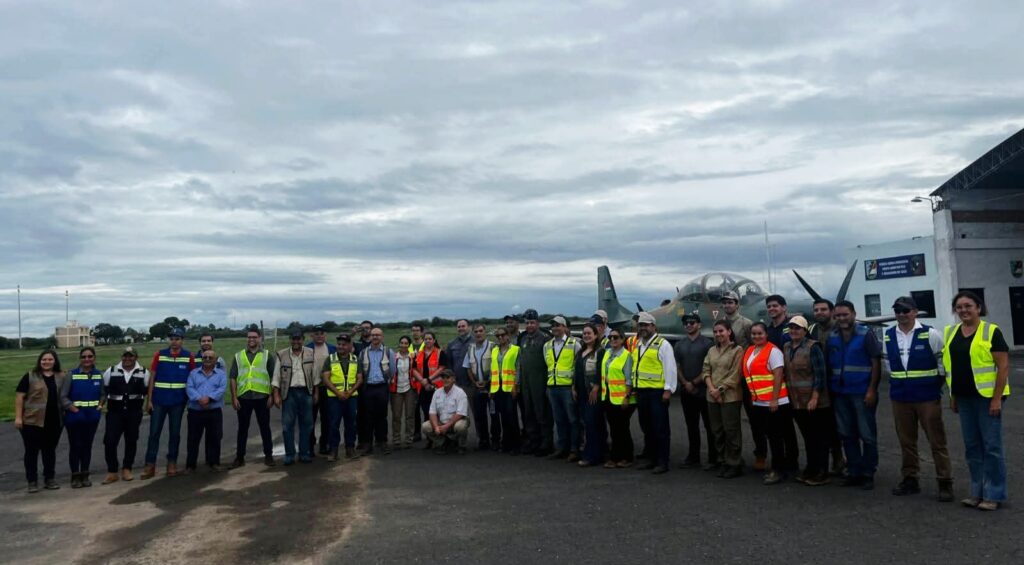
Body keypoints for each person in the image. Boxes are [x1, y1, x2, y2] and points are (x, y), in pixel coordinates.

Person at [944, 291, 1011, 511]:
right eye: (959, 307)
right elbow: (951, 367)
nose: (963, 310)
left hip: (986, 399)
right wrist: (953, 396)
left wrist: (996, 399)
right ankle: (977, 492)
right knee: (972, 447)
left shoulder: (991, 331)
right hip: (963, 398)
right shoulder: (951, 332)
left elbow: (1003, 367)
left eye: (968, 306)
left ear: (978, 308)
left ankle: (993, 494)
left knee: (992, 447)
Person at [884, 296, 953, 501]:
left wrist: (934, 387)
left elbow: (943, 364)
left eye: (905, 310)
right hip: (900, 397)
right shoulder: (888, 336)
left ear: (915, 312)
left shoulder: (931, 334)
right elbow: (888, 365)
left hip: (927, 397)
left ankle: (945, 482)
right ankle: (910, 479)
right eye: (897, 311)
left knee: (937, 440)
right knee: (906, 441)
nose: (901, 314)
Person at [828, 300, 883, 490]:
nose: (841, 318)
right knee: (846, 434)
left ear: (853, 314)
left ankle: (868, 472)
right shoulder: (833, 336)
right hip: (840, 393)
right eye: (838, 315)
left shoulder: (866, 334)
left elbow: (875, 362)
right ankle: (854, 471)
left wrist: (872, 389)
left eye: (845, 314)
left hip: (861, 392)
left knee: (867, 434)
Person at [743, 322, 798, 485]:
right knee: (769, 434)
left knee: (776, 437)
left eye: (760, 333)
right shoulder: (750, 350)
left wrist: (774, 399)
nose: (756, 336)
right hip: (759, 402)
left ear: (766, 334)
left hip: (775, 402)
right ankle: (783, 466)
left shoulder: (773, 351)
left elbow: (778, 375)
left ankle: (778, 470)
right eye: (754, 334)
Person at [784, 316, 832, 486]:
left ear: (805, 331)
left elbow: (820, 374)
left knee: (819, 437)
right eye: (791, 328)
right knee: (808, 437)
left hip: (814, 402)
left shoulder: (813, 347)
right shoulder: (787, 347)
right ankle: (811, 468)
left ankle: (822, 472)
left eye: (797, 328)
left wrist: (815, 397)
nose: (794, 331)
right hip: (797, 402)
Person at [142, 327, 195, 480]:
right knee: (154, 433)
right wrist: (149, 400)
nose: (174, 341)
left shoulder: (188, 356)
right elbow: (152, 377)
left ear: (182, 340)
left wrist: (189, 399)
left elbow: (192, 378)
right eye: (172, 339)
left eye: (177, 339)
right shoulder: (159, 355)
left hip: (178, 402)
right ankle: (150, 465)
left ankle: (172, 463)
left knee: (175, 434)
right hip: (159, 401)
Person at [631, 312, 678, 475]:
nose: (642, 328)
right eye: (640, 325)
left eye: (646, 325)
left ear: (653, 326)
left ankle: (662, 461)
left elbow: (670, 368)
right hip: (642, 391)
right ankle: (651, 458)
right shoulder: (639, 344)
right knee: (647, 427)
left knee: (660, 428)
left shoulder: (663, 345)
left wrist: (668, 389)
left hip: (657, 393)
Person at [14, 350, 65, 493]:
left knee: (49, 451)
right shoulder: (30, 376)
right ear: (39, 361)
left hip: (54, 421)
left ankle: (49, 478)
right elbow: (19, 397)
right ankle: (32, 481)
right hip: (32, 421)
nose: (47, 362)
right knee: (31, 452)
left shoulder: (61, 376)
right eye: (44, 359)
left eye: (50, 359)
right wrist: (18, 417)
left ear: (55, 361)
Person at [100, 347, 149, 484]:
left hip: (134, 412)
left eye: (131, 356)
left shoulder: (144, 372)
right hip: (115, 412)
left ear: (136, 357)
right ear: (121, 357)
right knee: (110, 441)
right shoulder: (111, 371)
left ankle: (127, 469)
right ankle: (112, 471)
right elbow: (104, 389)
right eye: (125, 356)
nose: (127, 359)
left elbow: (147, 390)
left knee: (131, 440)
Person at [229, 327, 276, 468]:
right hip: (244, 397)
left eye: (254, 337)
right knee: (242, 429)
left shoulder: (267, 355)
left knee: (265, 427)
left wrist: (272, 395)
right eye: (249, 337)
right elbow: (233, 377)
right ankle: (240, 457)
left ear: (260, 338)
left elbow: (274, 377)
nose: (251, 339)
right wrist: (234, 397)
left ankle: (269, 455)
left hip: (262, 397)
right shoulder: (239, 356)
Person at [809, 298, 846, 476]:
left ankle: (851, 463)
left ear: (831, 311)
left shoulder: (842, 329)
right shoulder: (812, 330)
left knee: (846, 425)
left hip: (840, 384)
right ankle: (837, 460)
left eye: (823, 309)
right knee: (826, 425)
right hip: (820, 384)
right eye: (816, 310)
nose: (819, 313)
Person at [272, 328, 320, 465]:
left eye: (298, 339)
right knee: (287, 426)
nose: (296, 341)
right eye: (293, 339)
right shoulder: (282, 354)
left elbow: (315, 375)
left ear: (303, 340)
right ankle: (290, 455)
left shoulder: (310, 353)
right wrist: (276, 395)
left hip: (306, 392)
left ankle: (304, 453)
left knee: (307, 425)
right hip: (289, 393)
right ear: (290, 340)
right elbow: (276, 376)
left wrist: (316, 393)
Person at [674, 313, 716, 470]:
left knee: (710, 426)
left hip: (704, 390)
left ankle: (713, 458)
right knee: (691, 425)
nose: (689, 325)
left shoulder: (708, 344)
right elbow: (677, 365)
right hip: (686, 391)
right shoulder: (679, 345)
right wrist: (685, 383)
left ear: (699, 325)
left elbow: (709, 367)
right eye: (686, 323)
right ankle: (693, 456)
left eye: (692, 322)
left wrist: (694, 382)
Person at [703, 320, 744, 478]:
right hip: (712, 396)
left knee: (731, 431)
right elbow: (706, 370)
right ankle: (723, 461)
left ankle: (734, 463)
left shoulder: (737, 350)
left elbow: (736, 374)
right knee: (717, 431)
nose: (718, 334)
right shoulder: (712, 350)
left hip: (730, 397)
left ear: (729, 332)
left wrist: (720, 390)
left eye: (721, 331)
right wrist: (712, 390)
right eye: (715, 332)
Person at [60, 347, 103, 488]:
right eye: (84, 357)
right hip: (75, 416)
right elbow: (63, 396)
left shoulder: (98, 375)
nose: (87, 359)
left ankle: (85, 474)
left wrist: (100, 406)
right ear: (80, 359)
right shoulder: (71, 374)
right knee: (75, 445)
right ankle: (75, 476)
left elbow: (103, 394)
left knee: (87, 446)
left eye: (90, 356)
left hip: (92, 416)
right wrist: (73, 409)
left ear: (94, 358)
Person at [544, 316, 581, 462]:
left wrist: (574, 386)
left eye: (558, 325)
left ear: (565, 327)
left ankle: (574, 449)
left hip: (567, 388)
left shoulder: (574, 344)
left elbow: (578, 367)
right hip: (553, 387)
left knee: (573, 420)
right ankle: (562, 448)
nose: (555, 328)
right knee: (559, 420)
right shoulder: (547, 345)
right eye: (553, 325)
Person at [184, 350, 227, 473]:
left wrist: (209, 399)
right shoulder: (193, 373)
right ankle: (190, 465)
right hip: (195, 410)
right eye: (205, 357)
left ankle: (214, 462)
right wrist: (199, 399)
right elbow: (189, 388)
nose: (207, 359)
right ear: (202, 359)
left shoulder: (221, 374)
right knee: (193, 438)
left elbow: (222, 388)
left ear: (215, 360)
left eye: (210, 357)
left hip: (214, 410)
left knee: (215, 437)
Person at [519, 309, 554, 456]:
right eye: (527, 323)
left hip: (540, 381)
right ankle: (533, 441)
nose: (529, 325)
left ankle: (546, 443)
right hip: (526, 382)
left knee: (542, 413)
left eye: (532, 322)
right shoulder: (523, 339)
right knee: (529, 412)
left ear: (537, 323)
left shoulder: (545, 339)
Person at [357, 326, 396, 455]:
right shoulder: (363, 352)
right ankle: (368, 444)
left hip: (382, 387)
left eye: (378, 335)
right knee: (367, 417)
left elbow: (393, 370)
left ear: (382, 337)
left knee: (382, 416)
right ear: (370, 337)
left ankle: (382, 442)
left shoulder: (388, 352)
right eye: (373, 335)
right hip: (368, 388)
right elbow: (360, 370)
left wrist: (386, 381)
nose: (375, 337)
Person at [325, 333, 364, 460]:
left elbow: (360, 378)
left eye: (344, 344)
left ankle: (350, 449)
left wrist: (350, 392)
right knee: (334, 424)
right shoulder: (330, 359)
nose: (341, 346)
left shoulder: (355, 359)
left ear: (350, 346)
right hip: (334, 398)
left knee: (351, 424)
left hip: (351, 397)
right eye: (339, 344)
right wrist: (338, 393)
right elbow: (326, 378)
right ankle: (333, 450)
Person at [601, 329, 635, 468]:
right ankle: (615, 456)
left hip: (622, 398)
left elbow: (629, 379)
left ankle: (627, 457)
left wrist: (626, 397)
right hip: (609, 396)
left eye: (616, 337)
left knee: (622, 429)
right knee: (614, 429)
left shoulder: (626, 356)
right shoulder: (607, 353)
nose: (612, 340)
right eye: (610, 337)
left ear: (622, 339)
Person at [464, 324, 500, 450]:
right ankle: (484, 440)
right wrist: (474, 382)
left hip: (491, 386)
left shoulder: (493, 346)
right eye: (476, 331)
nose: (478, 333)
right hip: (477, 387)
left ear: (485, 332)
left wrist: (488, 381)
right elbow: (468, 367)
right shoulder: (470, 348)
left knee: (494, 414)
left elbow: (497, 366)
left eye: (480, 331)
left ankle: (495, 440)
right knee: (480, 415)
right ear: (473, 333)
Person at [575, 323, 606, 467]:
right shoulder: (580, 352)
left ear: (596, 335)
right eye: (584, 333)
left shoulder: (600, 351)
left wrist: (597, 387)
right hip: (581, 393)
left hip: (593, 394)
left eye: (589, 333)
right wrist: (573, 387)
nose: (586, 336)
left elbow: (601, 371)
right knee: (588, 423)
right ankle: (598, 453)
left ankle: (591, 456)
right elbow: (576, 371)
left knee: (592, 424)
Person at [422, 369, 470, 454]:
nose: (445, 379)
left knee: (460, 427)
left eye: (447, 377)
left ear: (453, 379)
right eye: (443, 377)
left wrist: (446, 426)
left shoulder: (460, 393)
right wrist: (436, 427)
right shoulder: (437, 392)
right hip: (441, 422)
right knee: (425, 426)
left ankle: (461, 445)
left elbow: (460, 414)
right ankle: (443, 442)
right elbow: (432, 412)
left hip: (455, 422)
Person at [412, 332, 446, 448]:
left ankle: (442, 438)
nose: (427, 341)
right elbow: (414, 369)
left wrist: (429, 380)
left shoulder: (440, 353)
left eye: (430, 339)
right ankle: (430, 439)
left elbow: (442, 368)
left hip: (437, 388)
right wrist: (422, 381)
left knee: (439, 413)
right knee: (427, 413)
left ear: (434, 340)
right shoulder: (419, 354)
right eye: (425, 339)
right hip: (423, 388)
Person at [490, 328, 521, 454]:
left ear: (508, 335)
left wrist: (515, 386)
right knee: (503, 416)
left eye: (502, 335)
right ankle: (506, 443)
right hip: (497, 387)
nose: (500, 338)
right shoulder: (494, 350)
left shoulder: (515, 349)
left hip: (510, 387)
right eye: (497, 336)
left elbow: (518, 369)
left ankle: (516, 445)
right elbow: (493, 370)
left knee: (511, 416)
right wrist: (491, 389)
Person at [308, 325, 337, 457]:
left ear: (325, 335)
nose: (319, 336)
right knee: (310, 418)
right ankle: (310, 445)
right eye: (316, 333)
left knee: (327, 418)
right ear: (312, 336)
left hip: (327, 387)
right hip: (311, 388)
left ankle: (324, 444)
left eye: (322, 333)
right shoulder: (307, 349)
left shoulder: (332, 349)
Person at [388, 336, 418, 451]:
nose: (404, 345)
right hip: (396, 389)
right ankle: (396, 439)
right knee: (396, 416)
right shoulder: (394, 357)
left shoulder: (413, 356)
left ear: (409, 345)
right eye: (402, 343)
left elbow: (416, 370)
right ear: (399, 344)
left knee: (410, 415)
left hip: (410, 388)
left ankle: (409, 439)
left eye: (406, 343)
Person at [409, 324, 426, 443]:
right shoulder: (408, 346)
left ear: (422, 332)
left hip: (425, 381)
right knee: (414, 410)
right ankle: (417, 433)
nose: (415, 332)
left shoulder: (427, 344)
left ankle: (429, 433)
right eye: (413, 330)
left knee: (427, 409)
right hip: (412, 382)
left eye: (417, 330)